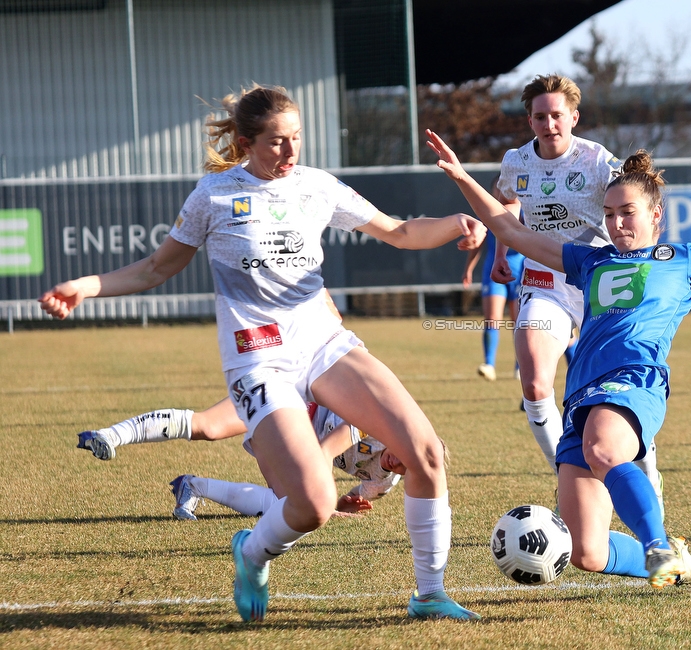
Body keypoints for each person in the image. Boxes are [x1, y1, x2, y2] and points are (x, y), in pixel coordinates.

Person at [39, 85, 484, 622]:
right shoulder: (214, 195)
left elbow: (398, 231)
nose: (290, 153)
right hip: (259, 359)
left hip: (324, 342)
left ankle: (429, 595)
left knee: (426, 452)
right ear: (246, 143)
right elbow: (155, 268)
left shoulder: (317, 186)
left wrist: (455, 226)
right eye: (277, 142)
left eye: (296, 138)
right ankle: (252, 553)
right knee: (315, 505)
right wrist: (85, 286)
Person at [427, 130, 691, 590]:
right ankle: (675, 562)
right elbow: (511, 229)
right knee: (586, 551)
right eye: (609, 214)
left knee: (604, 450)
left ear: (656, 214)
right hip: (581, 397)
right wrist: (460, 177)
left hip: (635, 380)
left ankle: (654, 543)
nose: (616, 224)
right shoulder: (590, 260)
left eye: (627, 213)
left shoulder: (683, 259)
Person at [487, 74, 619, 476]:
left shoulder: (597, 161)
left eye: (557, 115)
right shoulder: (517, 161)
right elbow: (505, 201)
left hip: (600, 284)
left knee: (617, 396)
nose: (550, 125)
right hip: (544, 284)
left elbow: (631, 204)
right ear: (530, 121)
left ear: (574, 117)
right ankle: (567, 474)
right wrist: (501, 251)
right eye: (540, 117)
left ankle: (649, 488)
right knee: (535, 384)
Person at [77, 398, 408, 518]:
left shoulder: (383, 482)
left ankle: (192, 487)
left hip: (289, 435)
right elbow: (320, 457)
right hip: (292, 398)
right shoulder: (375, 428)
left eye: (405, 466)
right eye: (403, 452)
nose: (396, 460)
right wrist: (327, 502)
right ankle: (111, 435)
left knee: (288, 506)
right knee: (207, 425)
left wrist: (342, 504)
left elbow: (351, 500)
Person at [462, 177, 525, 382]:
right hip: (493, 272)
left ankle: (520, 366)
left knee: (520, 322)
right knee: (492, 319)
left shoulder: (525, 213)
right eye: (496, 189)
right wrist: (468, 269)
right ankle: (489, 364)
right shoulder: (487, 213)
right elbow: (477, 244)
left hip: (520, 272)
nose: (501, 193)